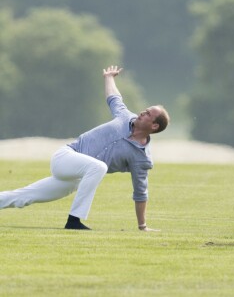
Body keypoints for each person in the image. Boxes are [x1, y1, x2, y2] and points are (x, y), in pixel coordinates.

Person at [0, 65, 170, 231]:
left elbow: (141, 192)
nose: (142, 112)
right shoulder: (125, 116)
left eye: (148, 114)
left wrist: (142, 226)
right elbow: (114, 97)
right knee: (99, 166)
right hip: (65, 156)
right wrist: (109, 77)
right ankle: (74, 220)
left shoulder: (141, 158)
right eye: (145, 110)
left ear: (154, 126)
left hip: (75, 178)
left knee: (24, 197)